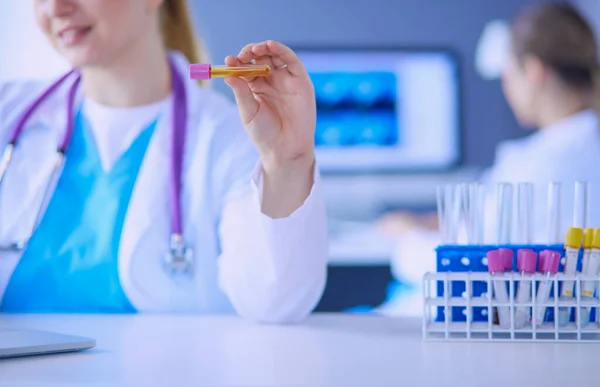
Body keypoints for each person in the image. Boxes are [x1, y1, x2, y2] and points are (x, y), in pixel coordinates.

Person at [0, 0, 328, 323]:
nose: (56, 7)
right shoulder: (9, 113)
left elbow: (276, 302)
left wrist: (287, 159)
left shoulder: (231, 139)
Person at [377, 2, 600, 315]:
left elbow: (468, 268)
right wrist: (438, 222)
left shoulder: (544, 165)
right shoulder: (571, 149)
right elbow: (492, 220)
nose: (506, 88)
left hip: (497, 320)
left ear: (534, 71)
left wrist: (406, 236)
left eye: (509, 74)